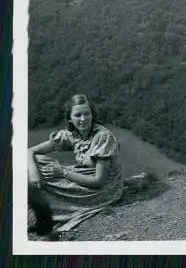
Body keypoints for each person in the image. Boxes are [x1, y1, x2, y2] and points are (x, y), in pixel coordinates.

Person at [28, 94, 123, 234]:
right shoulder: (73, 135)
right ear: (70, 119)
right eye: (78, 115)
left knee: (44, 172)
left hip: (104, 190)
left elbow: (99, 182)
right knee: (35, 162)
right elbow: (30, 151)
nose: (83, 119)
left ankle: (45, 211)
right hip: (83, 176)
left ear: (92, 115)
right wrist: (34, 173)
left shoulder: (103, 137)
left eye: (87, 114)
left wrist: (63, 172)